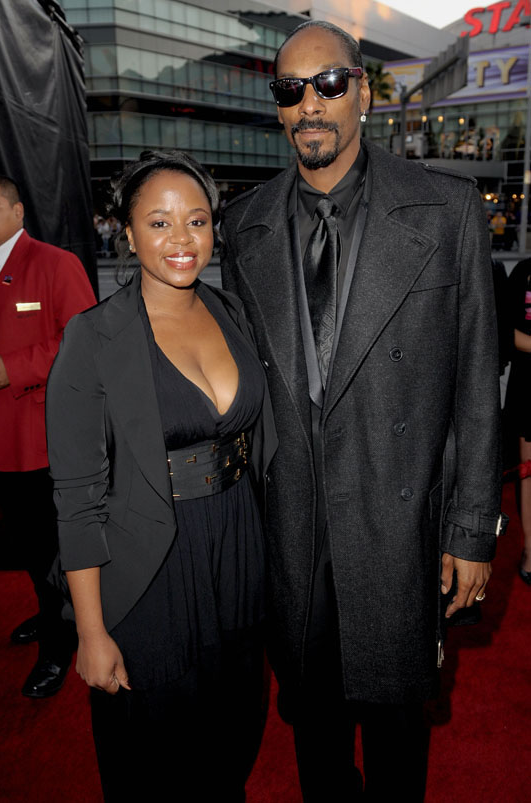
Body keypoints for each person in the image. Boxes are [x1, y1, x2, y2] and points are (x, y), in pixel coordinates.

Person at [220, 20, 505, 802]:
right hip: (294, 530)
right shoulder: (242, 227)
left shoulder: (447, 213)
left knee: (396, 734)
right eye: (291, 90)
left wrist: (472, 529)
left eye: (329, 85)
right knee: (312, 730)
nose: (309, 105)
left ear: (364, 94)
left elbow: (479, 380)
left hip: (397, 522)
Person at [46, 150, 277, 802]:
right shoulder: (93, 338)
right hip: (151, 569)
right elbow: (76, 497)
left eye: (197, 220)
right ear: (126, 231)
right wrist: (90, 632)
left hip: (238, 550)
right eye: (159, 222)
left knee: (233, 732)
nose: (182, 240)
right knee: (153, 757)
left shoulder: (232, 310)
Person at [0, 173, 96, 697]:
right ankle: (50, 615)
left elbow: (85, 339)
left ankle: (60, 640)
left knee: (52, 548)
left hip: (40, 439)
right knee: (28, 546)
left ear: (18, 211)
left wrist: (16, 367)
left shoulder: (54, 264)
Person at [503, 257, 531, 584]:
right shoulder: (523, 272)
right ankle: (529, 551)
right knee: (529, 473)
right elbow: (504, 330)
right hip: (528, 389)